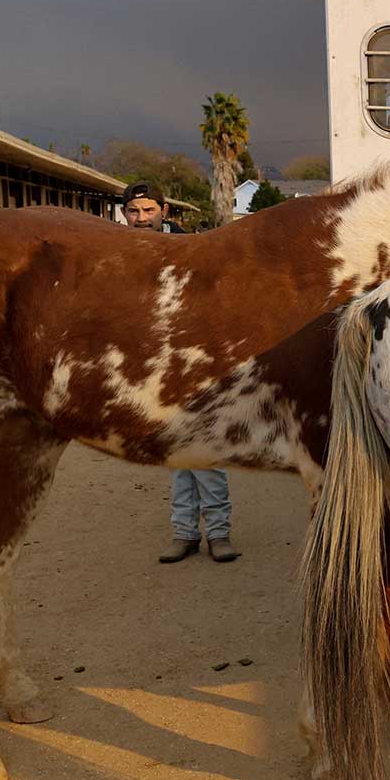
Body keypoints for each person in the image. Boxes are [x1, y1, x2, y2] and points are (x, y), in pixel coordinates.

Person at [123, 182, 241, 564]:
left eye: (148, 210)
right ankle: (184, 534)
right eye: (134, 211)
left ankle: (219, 534)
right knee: (174, 455)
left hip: (194, 363)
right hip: (153, 369)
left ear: (164, 211)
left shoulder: (192, 249)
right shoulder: (118, 252)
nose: (141, 219)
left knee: (204, 451)